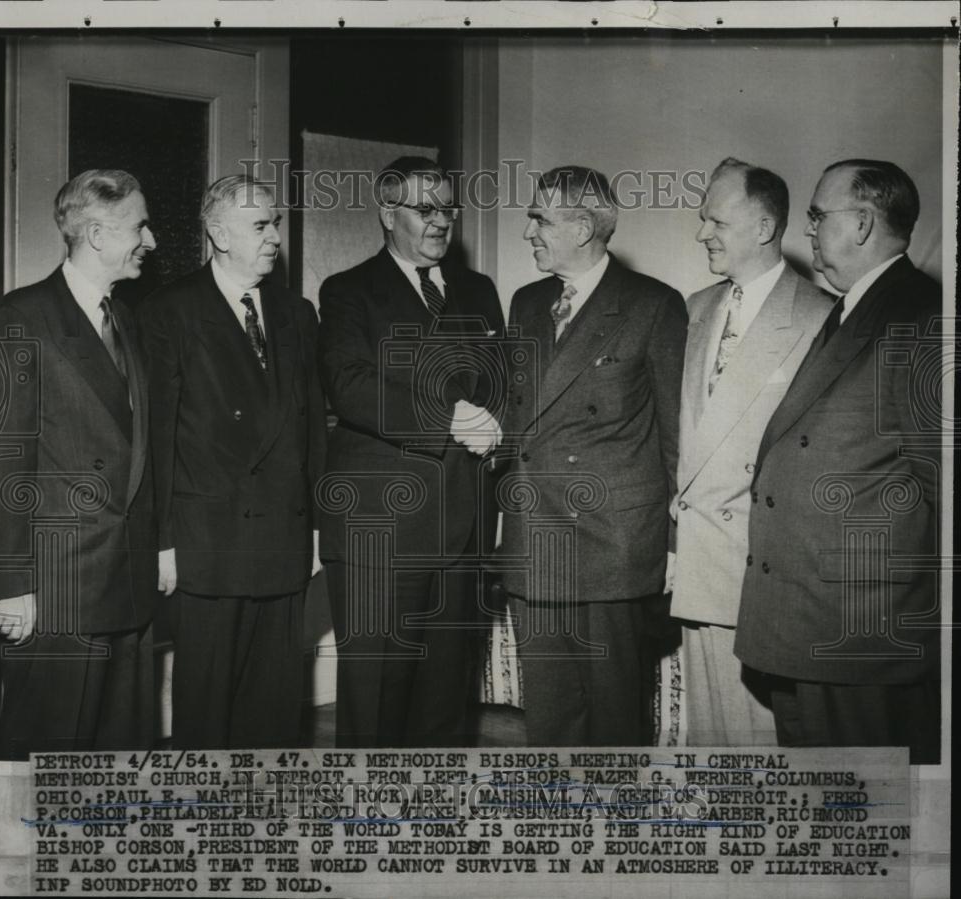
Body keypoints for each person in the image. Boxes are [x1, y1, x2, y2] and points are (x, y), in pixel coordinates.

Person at [735, 159, 942, 763]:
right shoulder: (853, 308)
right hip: (809, 622)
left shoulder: (921, 315)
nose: (809, 230)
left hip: (861, 632)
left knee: (866, 800)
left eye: (818, 215)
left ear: (862, 223)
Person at [317, 156, 505, 747]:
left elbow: (502, 386)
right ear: (387, 214)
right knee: (376, 706)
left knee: (445, 705)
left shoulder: (479, 291)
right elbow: (349, 385)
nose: (441, 221)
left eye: (448, 208)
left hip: (463, 528)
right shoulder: (347, 291)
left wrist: (497, 429)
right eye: (425, 209)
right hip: (380, 531)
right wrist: (448, 419)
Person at [499, 165, 687, 746]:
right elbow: (519, 415)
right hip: (535, 535)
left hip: (613, 542)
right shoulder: (527, 302)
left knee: (614, 710)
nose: (528, 232)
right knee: (549, 707)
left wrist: (676, 542)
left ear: (582, 228)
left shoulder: (653, 305)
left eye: (539, 219)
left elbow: (677, 436)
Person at [140, 174, 326, 749]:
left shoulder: (298, 313)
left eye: (275, 223)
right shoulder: (169, 311)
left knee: (274, 706)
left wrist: (317, 526)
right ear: (219, 234)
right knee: (208, 707)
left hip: (283, 537)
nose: (275, 237)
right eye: (260, 225)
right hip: (208, 542)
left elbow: (311, 431)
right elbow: (156, 438)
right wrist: (163, 543)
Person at [0, 169, 158, 758]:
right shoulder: (22, 316)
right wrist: (13, 585)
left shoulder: (126, 318)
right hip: (59, 589)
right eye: (139, 226)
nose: (150, 240)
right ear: (97, 234)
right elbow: (5, 460)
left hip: (127, 582)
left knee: (116, 761)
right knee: (45, 755)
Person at [670, 158, 832, 745]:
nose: (702, 233)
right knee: (708, 739)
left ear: (764, 228)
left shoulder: (821, 317)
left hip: (760, 571)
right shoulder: (694, 308)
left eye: (716, 221)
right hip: (695, 562)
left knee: (760, 748)